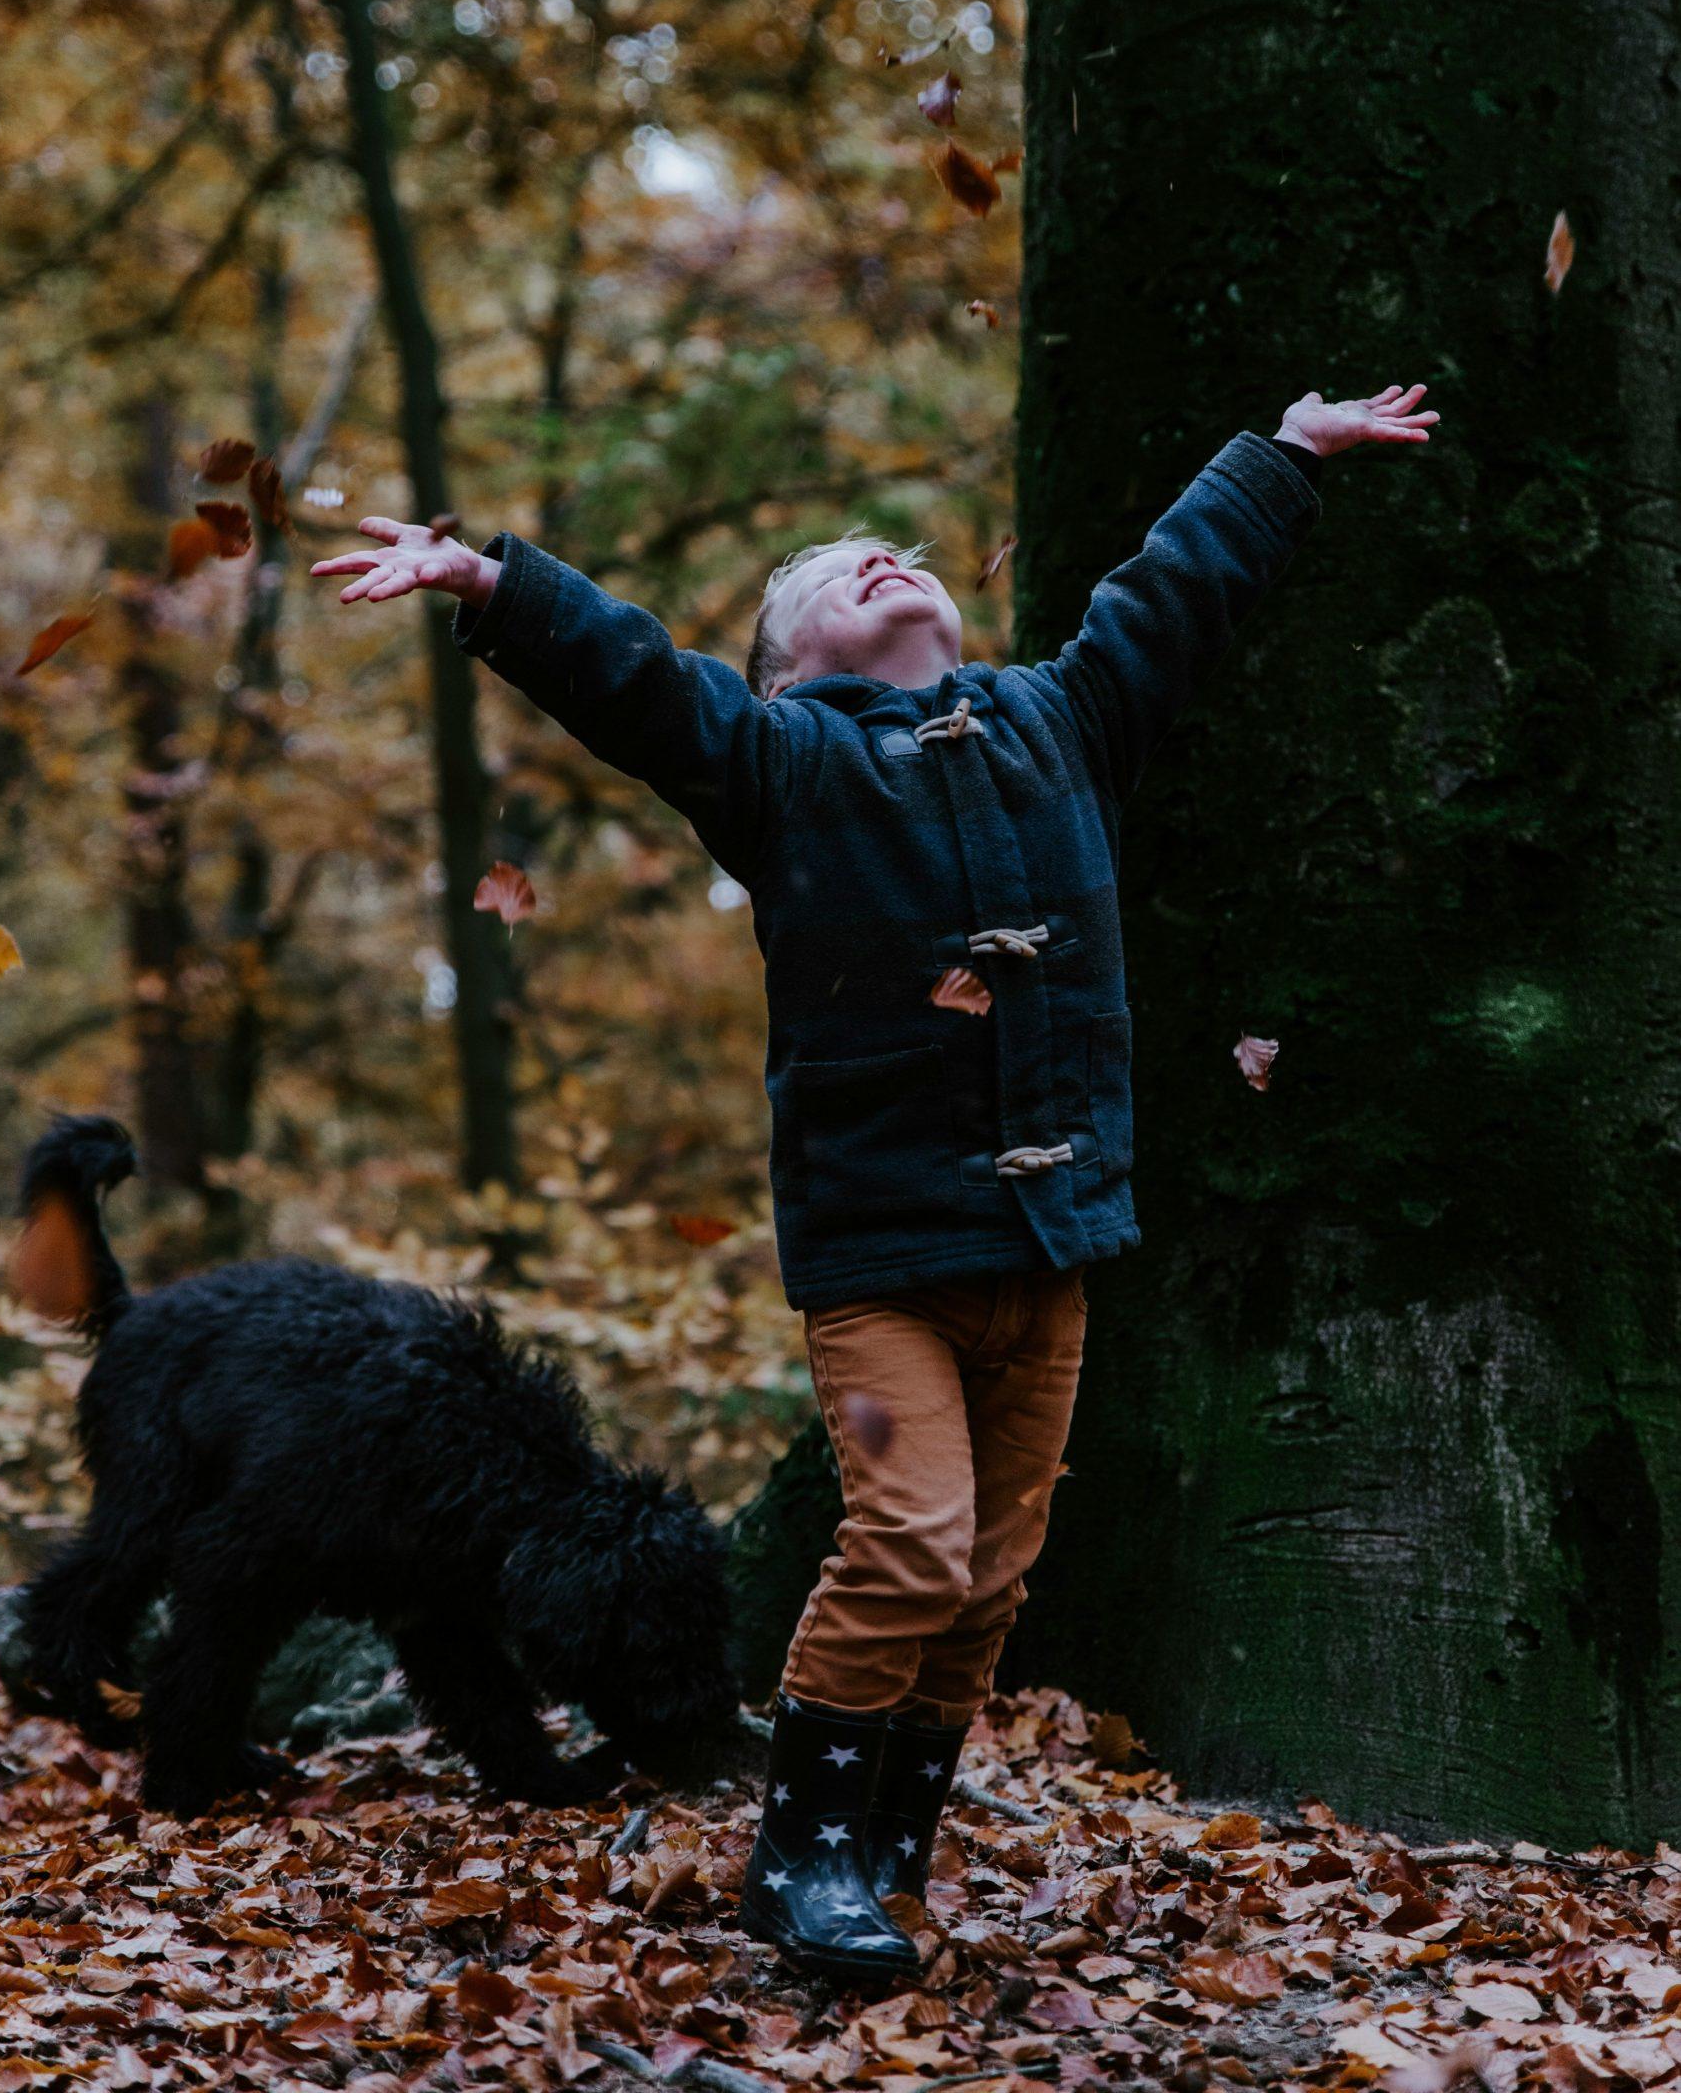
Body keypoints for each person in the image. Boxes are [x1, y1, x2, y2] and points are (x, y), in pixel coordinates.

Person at [313, 383, 1437, 1981]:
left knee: (984, 1586)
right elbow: (639, 686)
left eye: (899, 554)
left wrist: (1282, 453)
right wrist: (495, 584)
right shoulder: (778, 767)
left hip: (1047, 1246)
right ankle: (799, 1860)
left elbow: (1169, 590)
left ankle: (883, 1856)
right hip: (884, 1262)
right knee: (907, 1542)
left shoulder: (1058, 717)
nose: (884, 566)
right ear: (787, 671)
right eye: (834, 577)